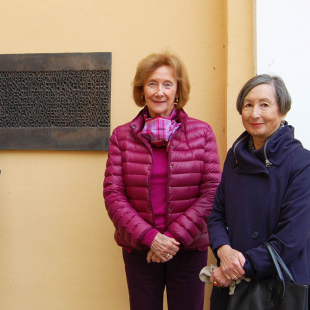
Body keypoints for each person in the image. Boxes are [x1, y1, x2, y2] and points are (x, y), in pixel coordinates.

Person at [103, 52, 221, 310]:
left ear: (178, 89)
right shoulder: (122, 136)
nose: (159, 92)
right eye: (152, 83)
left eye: (167, 84)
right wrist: (150, 237)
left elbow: (212, 192)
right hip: (140, 250)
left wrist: (171, 239)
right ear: (142, 90)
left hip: (188, 249)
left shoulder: (202, 133)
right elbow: (114, 195)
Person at [207, 74, 310, 309]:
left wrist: (238, 268)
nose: (255, 114)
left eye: (265, 105)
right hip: (232, 286)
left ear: (283, 111)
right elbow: (216, 215)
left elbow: (291, 238)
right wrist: (224, 251)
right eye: (248, 105)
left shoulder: (302, 162)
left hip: (279, 287)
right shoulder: (235, 157)